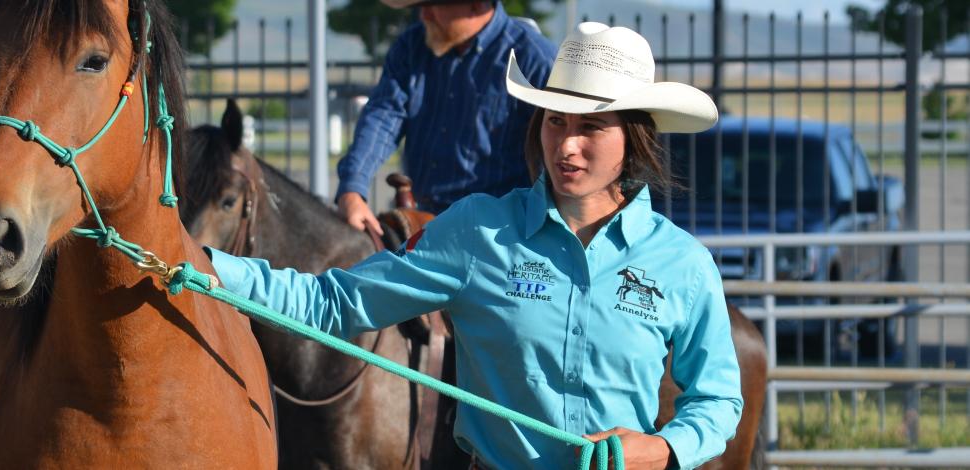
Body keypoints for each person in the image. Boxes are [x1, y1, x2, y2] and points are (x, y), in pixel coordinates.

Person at [206, 22, 742, 469]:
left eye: (593, 127)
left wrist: (665, 448)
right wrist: (210, 267)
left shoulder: (682, 264)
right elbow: (337, 303)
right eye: (556, 122)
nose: (568, 145)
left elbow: (716, 399)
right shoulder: (477, 232)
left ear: (634, 137)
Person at [336, 0, 558, 231]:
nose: (424, 15)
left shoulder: (534, 59)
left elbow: (562, 146)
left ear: (477, 5)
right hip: (424, 220)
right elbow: (383, 118)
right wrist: (352, 190)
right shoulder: (412, 46)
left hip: (502, 231)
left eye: (433, 4)